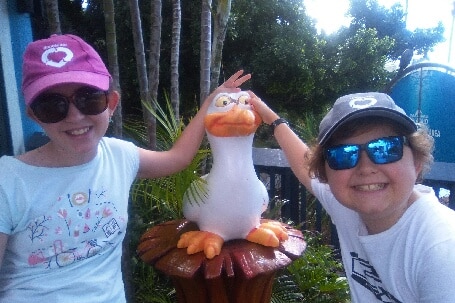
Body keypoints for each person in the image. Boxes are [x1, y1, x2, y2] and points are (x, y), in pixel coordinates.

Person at [0, 34, 251, 303]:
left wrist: (211, 103)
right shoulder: (9, 181)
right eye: (52, 106)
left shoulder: (119, 156)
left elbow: (177, 158)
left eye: (89, 99)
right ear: (34, 115)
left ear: (111, 103)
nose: (75, 116)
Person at [249, 91, 455, 302]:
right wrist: (272, 119)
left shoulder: (442, 249)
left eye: (386, 148)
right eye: (343, 154)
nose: (366, 168)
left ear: (416, 162)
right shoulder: (348, 205)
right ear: (325, 173)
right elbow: (304, 166)